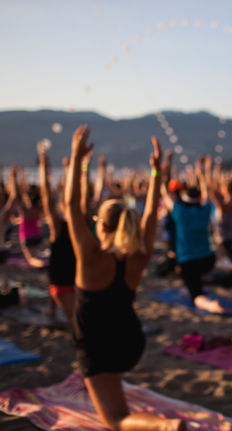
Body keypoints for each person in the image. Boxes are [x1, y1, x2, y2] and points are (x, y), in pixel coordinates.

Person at [65, 125, 185, 431]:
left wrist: (78, 160)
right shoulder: (139, 256)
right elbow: (148, 217)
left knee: (116, 420)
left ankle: (164, 427)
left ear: (102, 227)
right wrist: (157, 174)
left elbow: (70, 207)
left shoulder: (91, 258)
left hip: (98, 344)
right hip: (130, 341)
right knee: (112, 388)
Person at [160, 156, 225, 314]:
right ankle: (204, 280)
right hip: (208, 260)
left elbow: (164, 191)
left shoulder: (179, 211)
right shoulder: (204, 210)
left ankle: (212, 306)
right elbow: (207, 192)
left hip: (188, 261)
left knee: (195, 294)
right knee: (195, 276)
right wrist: (202, 173)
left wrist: (163, 169)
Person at [39, 146, 78, 323]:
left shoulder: (77, 223)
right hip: (62, 280)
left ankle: (50, 308)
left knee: (77, 318)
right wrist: (43, 168)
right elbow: (46, 197)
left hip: (73, 278)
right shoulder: (60, 226)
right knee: (74, 319)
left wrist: (72, 169)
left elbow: (76, 195)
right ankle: (50, 307)